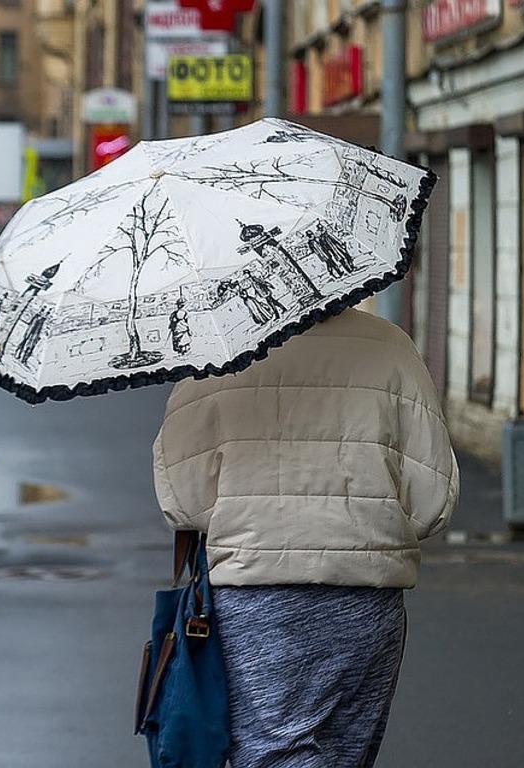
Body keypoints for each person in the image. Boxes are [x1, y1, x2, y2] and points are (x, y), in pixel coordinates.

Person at [152, 306, 460, 767]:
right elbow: (431, 498)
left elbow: (183, 501)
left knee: (272, 751)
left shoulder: (216, 357)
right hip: (367, 599)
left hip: (256, 599)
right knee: (345, 753)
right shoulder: (391, 347)